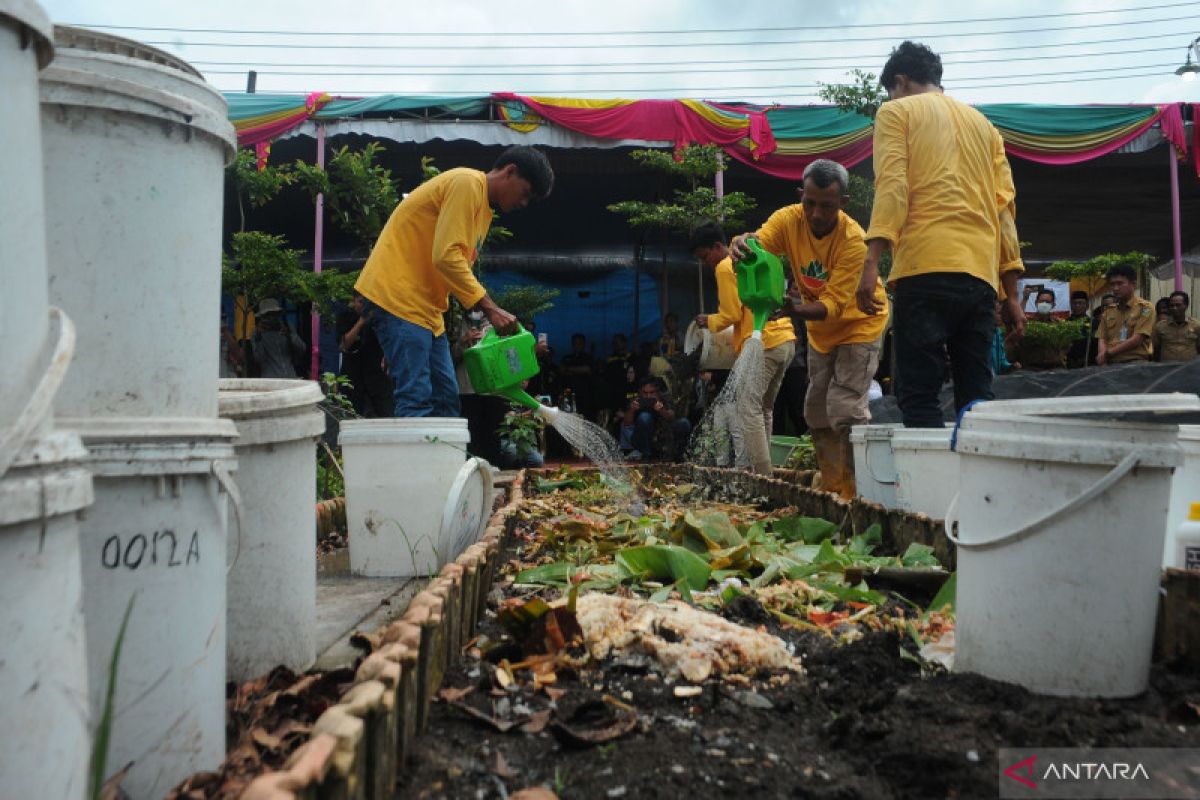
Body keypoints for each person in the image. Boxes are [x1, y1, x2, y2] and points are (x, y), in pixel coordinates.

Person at [856, 41, 1026, 429]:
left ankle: (927, 489)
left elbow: (892, 186)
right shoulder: (986, 128)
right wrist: (1011, 294)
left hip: (924, 268)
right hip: (980, 278)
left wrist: (872, 264)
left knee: (919, 396)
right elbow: (1004, 211)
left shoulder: (896, 112)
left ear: (899, 81)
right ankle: (978, 487)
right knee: (977, 399)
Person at [354, 146, 554, 417]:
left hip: (425, 312)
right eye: (526, 193)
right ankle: (418, 461)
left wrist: (396, 344)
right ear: (510, 171)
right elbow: (447, 257)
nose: (523, 203)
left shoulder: (483, 212)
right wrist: (490, 308)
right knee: (416, 398)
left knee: (447, 399)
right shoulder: (467, 183)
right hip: (398, 298)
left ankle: (446, 460)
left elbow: (451, 268)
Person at [732, 160, 888, 497]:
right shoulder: (789, 219)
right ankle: (833, 485)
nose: (816, 213)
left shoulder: (854, 242)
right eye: (810, 203)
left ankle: (858, 493)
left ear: (842, 203)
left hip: (860, 324)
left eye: (827, 206)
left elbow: (831, 306)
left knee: (845, 407)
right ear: (801, 195)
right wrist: (742, 244)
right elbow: (760, 245)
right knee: (816, 408)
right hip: (820, 330)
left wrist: (793, 310)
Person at [691, 220, 797, 475]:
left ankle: (763, 477)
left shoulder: (726, 266)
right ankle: (768, 471)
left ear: (718, 246)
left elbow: (731, 313)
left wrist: (710, 321)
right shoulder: (752, 254)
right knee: (763, 409)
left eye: (706, 256)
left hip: (763, 343)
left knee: (747, 409)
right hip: (785, 340)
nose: (706, 263)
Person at [337, 291, 394, 417]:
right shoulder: (346, 316)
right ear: (353, 301)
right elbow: (343, 345)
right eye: (361, 302)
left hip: (377, 377)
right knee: (352, 416)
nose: (363, 307)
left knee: (386, 414)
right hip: (353, 377)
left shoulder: (380, 318)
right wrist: (361, 321)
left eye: (367, 303)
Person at [1095, 263, 1154, 366]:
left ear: (1133, 284)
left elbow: (1138, 339)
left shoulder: (1145, 308)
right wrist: (1102, 357)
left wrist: (1108, 353)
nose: (1115, 288)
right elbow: (1102, 338)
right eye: (1112, 284)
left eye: (1120, 283)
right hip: (1111, 364)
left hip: (1136, 363)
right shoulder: (1108, 311)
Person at [621, 376, 691, 462]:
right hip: (642, 440)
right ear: (640, 392)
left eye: (652, 392)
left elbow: (672, 417)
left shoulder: (665, 398)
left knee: (684, 423)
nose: (648, 396)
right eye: (645, 393)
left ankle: (678, 456)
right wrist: (632, 409)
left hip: (663, 437)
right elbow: (626, 424)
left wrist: (662, 410)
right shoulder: (636, 400)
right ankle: (646, 456)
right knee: (644, 417)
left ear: (658, 392)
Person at [251, 298, 307, 379]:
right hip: (271, 380)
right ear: (262, 317)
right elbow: (259, 359)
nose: (271, 318)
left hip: (291, 377)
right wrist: (259, 339)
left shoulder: (287, 327)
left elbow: (302, 349)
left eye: (274, 314)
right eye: (268, 315)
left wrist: (290, 336)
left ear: (278, 314)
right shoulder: (257, 333)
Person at [1012, 288, 1067, 370]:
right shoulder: (1029, 322)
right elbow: (1017, 321)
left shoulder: (1059, 324)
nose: (1044, 304)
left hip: (1054, 368)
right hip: (1031, 368)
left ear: (1053, 305)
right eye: (1041, 301)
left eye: (1048, 302)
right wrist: (1025, 299)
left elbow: (1066, 345)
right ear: (1036, 303)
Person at [1152, 291, 1200, 363]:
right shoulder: (1160, 326)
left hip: (1190, 370)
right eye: (1172, 305)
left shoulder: (1196, 325)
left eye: (1178, 305)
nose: (1174, 308)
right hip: (1166, 370)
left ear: (1186, 306)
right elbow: (1156, 348)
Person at [1065, 290, 1092, 368]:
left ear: (1087, 305)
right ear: (1071, 306)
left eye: (1080, 303)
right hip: (1070, 364)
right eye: (1074, 303)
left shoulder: (1094, 323)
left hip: (1089, 364)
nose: (1077, 306)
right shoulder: (1065, 323)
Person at [219, 312, 244, 379]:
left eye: (224, 318)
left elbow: (239, 357)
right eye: (222, 319)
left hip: (228, 376)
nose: (224, 321)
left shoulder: (228, 337)